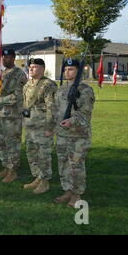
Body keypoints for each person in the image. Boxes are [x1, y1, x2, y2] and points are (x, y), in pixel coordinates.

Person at [54, 59, 95, 207]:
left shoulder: (85, 90)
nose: (67, 72)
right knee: (63, 164)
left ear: (78, 72)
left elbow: (85, 113)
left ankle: (77, 194)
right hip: (62, 134)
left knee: (76, 166)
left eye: (71, 69)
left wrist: (72, 120)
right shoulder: (61, 89)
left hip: (78, 135)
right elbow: (56, 111)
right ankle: (68, 190)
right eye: (66, 69)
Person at [22, 58, 57, 194]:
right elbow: (26, 105)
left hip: (42, 127)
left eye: (34, 67)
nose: (31, 69)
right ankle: (38, 177)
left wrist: (50, 128)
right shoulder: (27, 84)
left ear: (42, 69)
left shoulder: (48, 85)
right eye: (30, 67)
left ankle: (45, 182)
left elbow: (51, 108)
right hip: (30, 126)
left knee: (43, 156)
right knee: (31, 153)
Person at [0, 49, 28, 183]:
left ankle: (13, 171)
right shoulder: (1, 73)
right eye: (3, 57)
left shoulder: (19, 75)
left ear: (13, 58)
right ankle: (6, 167)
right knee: (1, 143)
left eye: (7, 57)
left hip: (12, 116)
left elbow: (19, 96)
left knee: (12, 143)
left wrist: (0, 100)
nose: (3, 59)